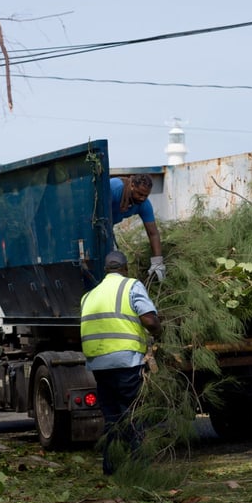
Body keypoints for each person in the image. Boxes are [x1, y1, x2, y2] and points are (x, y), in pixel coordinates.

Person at [80, 250, 162, 474]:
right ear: (125, 269)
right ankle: (139, 468)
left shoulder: (89, 295)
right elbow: (149, 320)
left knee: (112, 417)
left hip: (99, 365)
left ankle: (111, 468)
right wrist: (159, 330)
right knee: (134, 414)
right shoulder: (131, 286)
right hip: (126, 362)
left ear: (106, 270)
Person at [111, 174, 165, 281]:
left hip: (108, 227)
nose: (143, 198)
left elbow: (153, 233)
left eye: (146, 195)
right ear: (132, 185)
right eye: (140, 194)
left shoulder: (144, 204)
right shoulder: (114, 188)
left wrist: (157, 262)